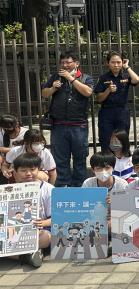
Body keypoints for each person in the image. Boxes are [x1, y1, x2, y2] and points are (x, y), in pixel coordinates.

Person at [41, 51, 94, 187]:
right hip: (58, 125)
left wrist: (71, 79)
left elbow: (88, 92)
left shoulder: (85, 78)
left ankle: (79, 186)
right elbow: (44, 94)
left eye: (68, 62)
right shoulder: (56, 77)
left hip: (79, 125)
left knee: (80, 158)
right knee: (60, 159)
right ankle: (63, 187)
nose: (64, 65)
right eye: (62, 62)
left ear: (76, 63)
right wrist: (53, 88)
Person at [10, 154, 54, 268]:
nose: (28, 173)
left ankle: (19, 255)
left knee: (46, 237)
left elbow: (57, 218)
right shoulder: (10, 191)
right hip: (16, 231)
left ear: (39, 169)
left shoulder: (48, 189)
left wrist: (43, 223)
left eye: (32, 169)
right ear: (16, 172)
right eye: (23, 170)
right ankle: (28, 256)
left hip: (41, 229)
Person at [94, 51, 139, 150]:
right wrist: (108, 90)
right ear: (108, 63)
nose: (116, 65)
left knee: (122, 141)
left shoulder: (126, 76)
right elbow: (99, 99)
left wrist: (127, 67)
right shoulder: (103, 78)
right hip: (106, 113)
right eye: (113, 62)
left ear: (122, 62)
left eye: (119, 62)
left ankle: (123, 159)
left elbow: (136, 80)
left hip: (122, 112)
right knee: (105, 141)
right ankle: (107, 159)